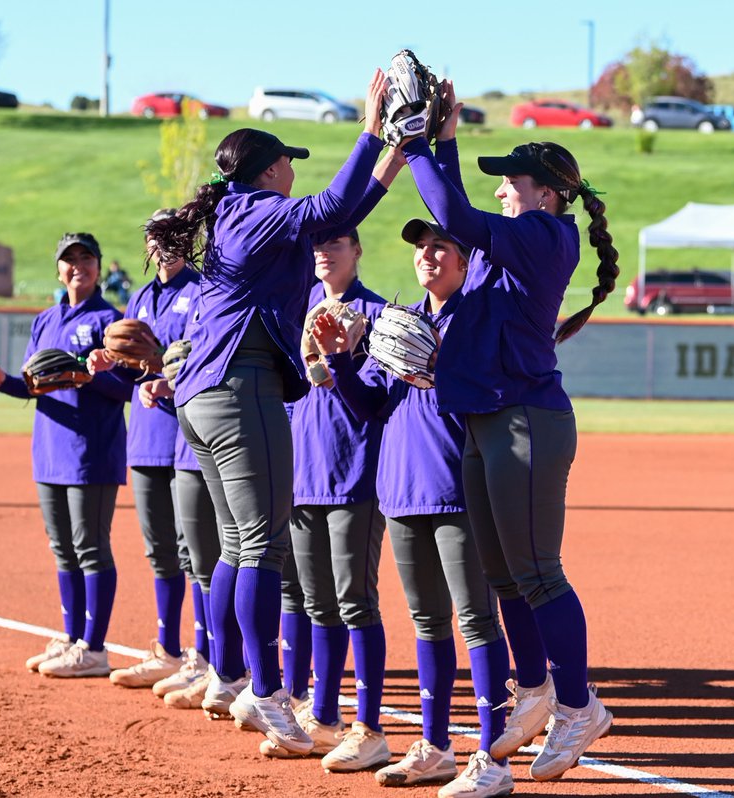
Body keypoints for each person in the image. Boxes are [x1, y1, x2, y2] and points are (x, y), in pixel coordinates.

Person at [143, 69, 390, 757]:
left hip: (203, 394)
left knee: (236, 546)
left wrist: (391, 163)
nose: (291, 172)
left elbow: (340, 213)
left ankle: (228, 676)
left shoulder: (233, 213)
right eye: (287, 163)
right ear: (271, 169)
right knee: (263, 546)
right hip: (237, 386)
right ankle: (267, 690)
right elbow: (333, 206)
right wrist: (370, 132)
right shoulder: (258, 210)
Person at [402, 81, 619, 785]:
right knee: (503, 577)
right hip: (486, 418)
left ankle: (581, 705)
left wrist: (421, 143)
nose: (504, 191)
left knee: (537, 572)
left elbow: (451, 210)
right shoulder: (515, 239)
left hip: (527, 419)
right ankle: (533, 691)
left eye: (514, 182)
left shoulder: (545, 235)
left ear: (548, 193)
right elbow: (462, 219)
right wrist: (445, 139)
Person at [312, 216, 513, 797]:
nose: (428, 256)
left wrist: (441, 370)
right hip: (399, 490)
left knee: (475, 618)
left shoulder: (475, 321)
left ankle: (491, 755)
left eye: (440, 247)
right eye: (422, 248)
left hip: (457, 489)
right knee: (427, 620)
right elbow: (371, 406)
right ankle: (436, 748)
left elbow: (492, 396)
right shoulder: (400, 324)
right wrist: (342, 359)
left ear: (465, 260)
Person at [262, 225, 392, 770]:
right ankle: (323, 714)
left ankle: (368, 726)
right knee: (316, 602)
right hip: (305, 473)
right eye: (317, 245)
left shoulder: (378, 315)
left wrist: (340, 361)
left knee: (354, 600)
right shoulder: (305, 304)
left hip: (353, 475)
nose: (323, 253)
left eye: (335, 243)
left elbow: (377, 405)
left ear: (357, 251)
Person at [0, 232, 133, 678]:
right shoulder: (45, 320)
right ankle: (71, 638)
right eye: (69, 260)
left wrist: (90, 377)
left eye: (86, 258)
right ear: (58, 269)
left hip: (91, 451)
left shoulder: (111, 320)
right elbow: (35, 383)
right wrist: (4, 381)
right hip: (49, 448)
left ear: (99, 267)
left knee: (90, 548)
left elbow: (125, 388)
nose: (77, 266)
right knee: (63, 550)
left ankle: (95, 647)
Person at [97, 210, 222, 700]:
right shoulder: (141, 296)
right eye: (155, 237)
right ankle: (168, 650)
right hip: (148, 437)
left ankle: (207, 655)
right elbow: (133, 373)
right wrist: (111, 364)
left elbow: (195, 359)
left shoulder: (199, 290)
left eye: (172, 237)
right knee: (161, 552)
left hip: (187, 437)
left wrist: (157, 366)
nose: (163, 245)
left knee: (198, 555)